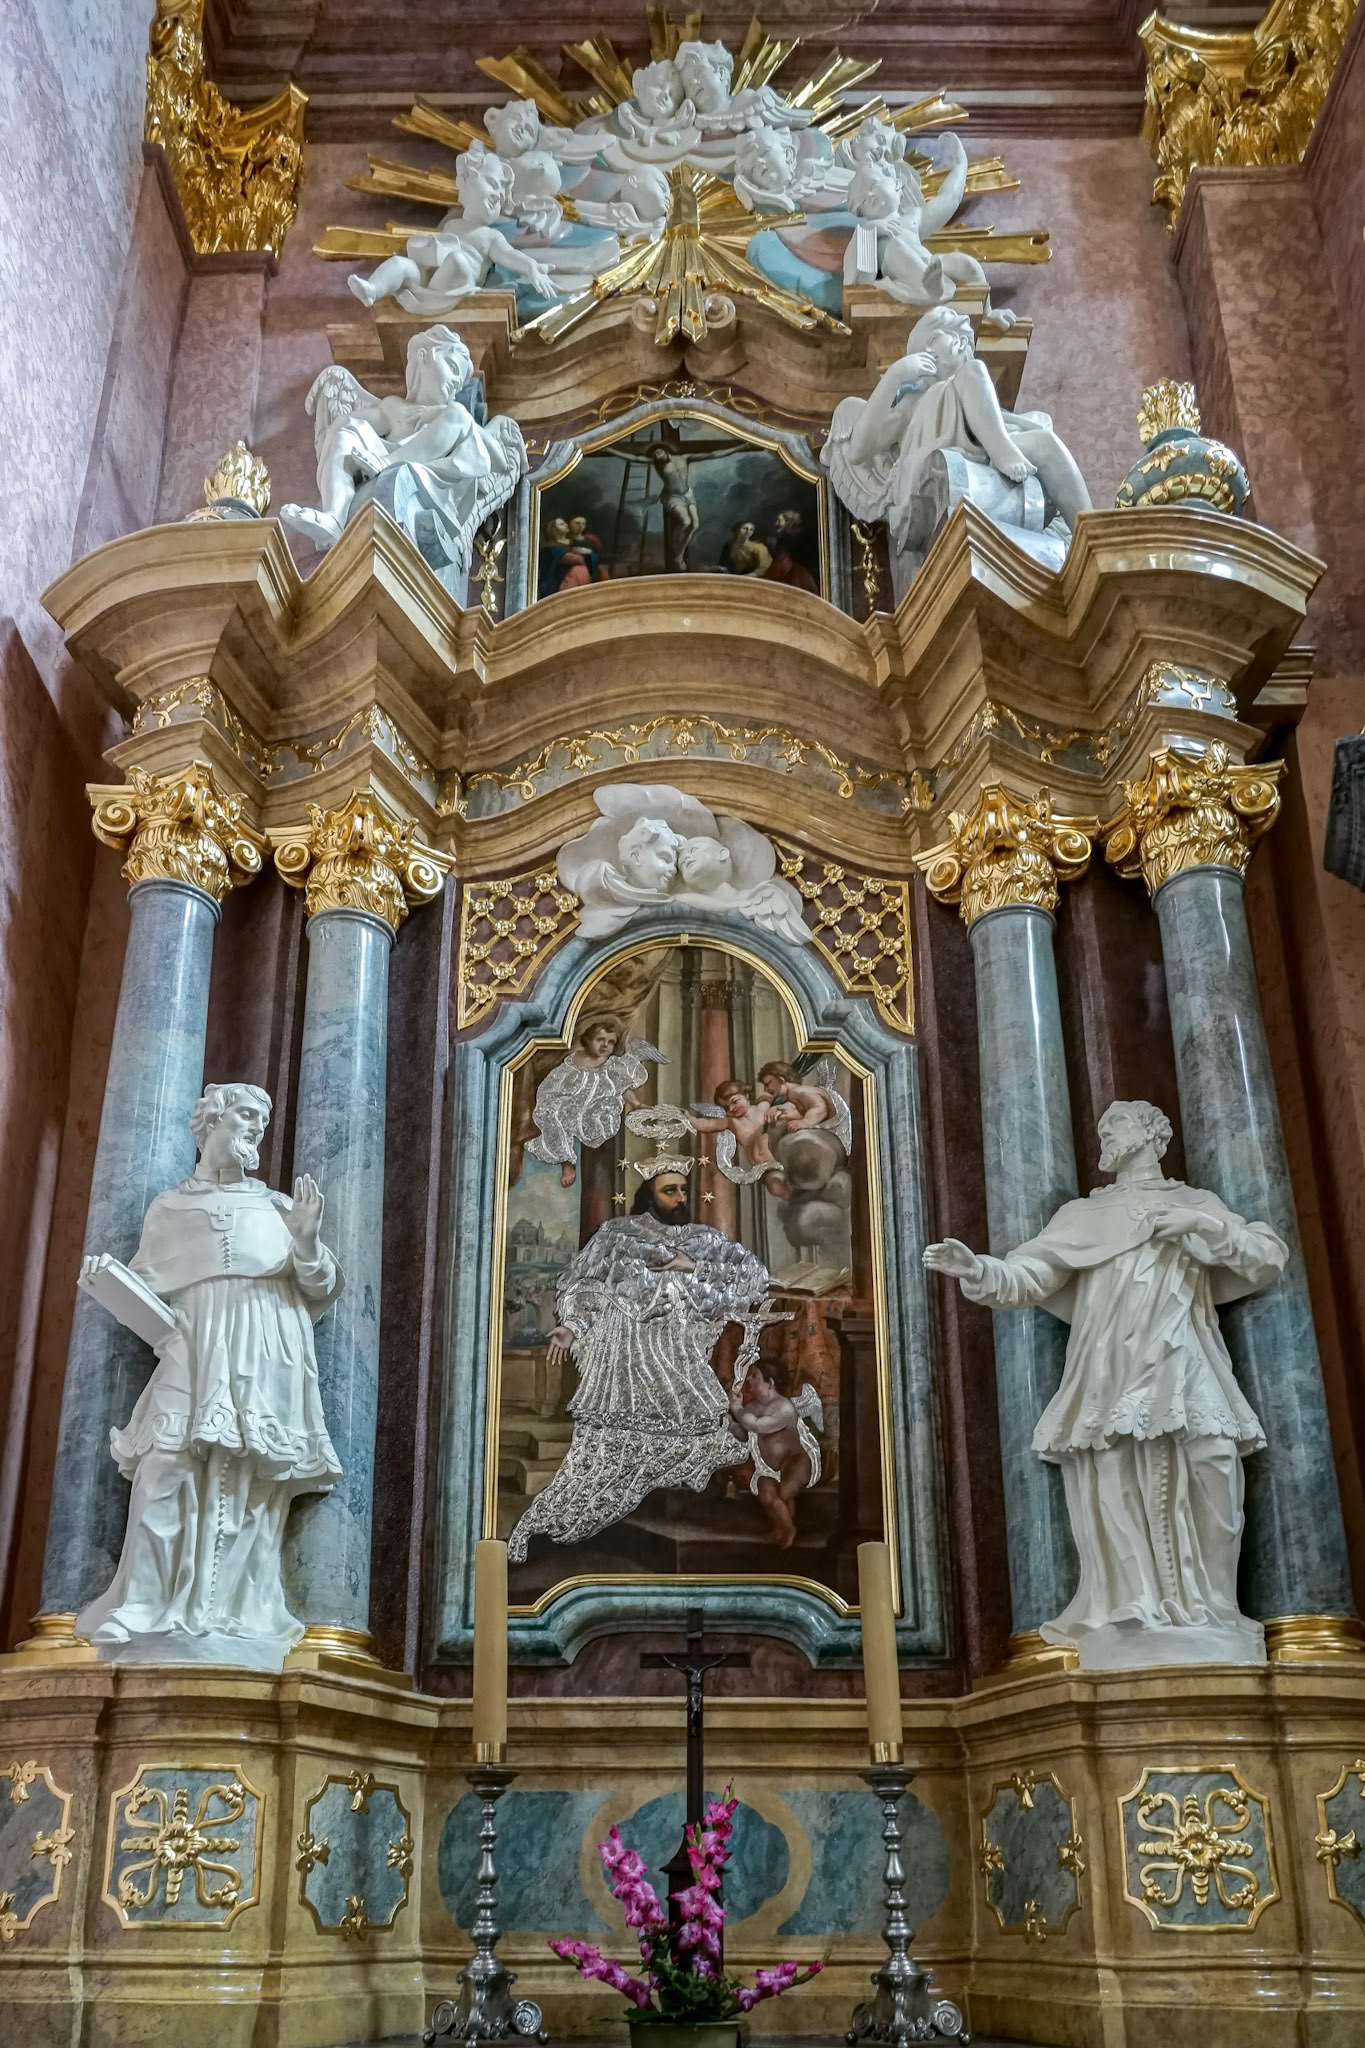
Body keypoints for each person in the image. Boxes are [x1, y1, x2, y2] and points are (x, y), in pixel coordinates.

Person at [923, 1099, 1288, 1668]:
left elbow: (1265, 1259)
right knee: (1114, 1475)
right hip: (1111, 1365)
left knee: (1214, 1467)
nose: (1105, 1135)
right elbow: (1033, 1272)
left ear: (1151, 1133)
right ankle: (1134, 1601)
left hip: (1185, 1356)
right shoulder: (1082, 1215)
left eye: (1116, 1124)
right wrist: (979, 1269)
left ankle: (1215, 1605)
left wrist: (1204, 1226)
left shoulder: (1197, 1204)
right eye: (1101, 1127)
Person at [75, 1084, 342, 1665]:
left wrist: (304, 1241)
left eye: (263, 1123)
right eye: (247, 1117)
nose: (256, 1131)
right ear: (211, 1123)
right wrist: (110, 1282)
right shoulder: (168, 1208)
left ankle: (229, 1612)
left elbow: (321, 1289)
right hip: (191, 1346)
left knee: (244, 1487)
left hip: (265, 1352)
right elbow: (146, 1286)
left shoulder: (277, 1207)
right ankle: (143, 1606)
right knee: (163, 1466)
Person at [506, 1159, 770, 1560]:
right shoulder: (617, 1235)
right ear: (649, 1196)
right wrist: (573, 1326)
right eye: (670, 1190)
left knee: (697, 1435)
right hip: (627, 1356)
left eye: (683, 1189)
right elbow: (585, 1284)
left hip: (678, 1360)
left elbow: (753, 1275)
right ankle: (563, 1527)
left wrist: (693, 1265)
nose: (680, 1198)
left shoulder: (701, 1239)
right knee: (606, 1454)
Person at [821, 304, 1092, 551]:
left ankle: (1090, 538)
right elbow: (858, 451)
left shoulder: (972, 391)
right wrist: (895, 376)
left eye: (962, 339)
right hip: (934, 459)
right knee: (972, 372)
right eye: (942, 337)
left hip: (979, 448)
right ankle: (1002, 449)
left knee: (1046, 443)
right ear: (922, 355)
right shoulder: (913, 404)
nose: (961, 344)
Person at [527, 1015, 665, 1188]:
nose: (605, 1045)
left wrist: (636, 1104)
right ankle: (566, 1162)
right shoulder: (572, 1060)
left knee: (603, 1116)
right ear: (588, 1039)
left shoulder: (612, 1065)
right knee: (553, 1114)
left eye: (610, 1042)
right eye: (600, 1040)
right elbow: (556, 1083)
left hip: (596, 1108)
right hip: (571, 1103)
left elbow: (623, 1089)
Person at [727, 1361, 822, 1548]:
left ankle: (788, 1531)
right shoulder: (753, 1407)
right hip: (769, 1466)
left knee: (783, 1494)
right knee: (767, 1496)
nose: (749, 1380)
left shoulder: (783, 1407)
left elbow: (756, 1426)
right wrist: (729, 1423)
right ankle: (780, 1528)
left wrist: (736, 1409)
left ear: (770, 1383)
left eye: (755, 1376)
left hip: (794, 1461)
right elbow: (745, 1432)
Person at [763, 509, 818, 592]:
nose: (776, 524)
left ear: (789, 522)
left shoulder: (797, 539)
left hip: (799, 577)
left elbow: (784, 562)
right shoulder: (784, 539)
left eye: (779, 521)